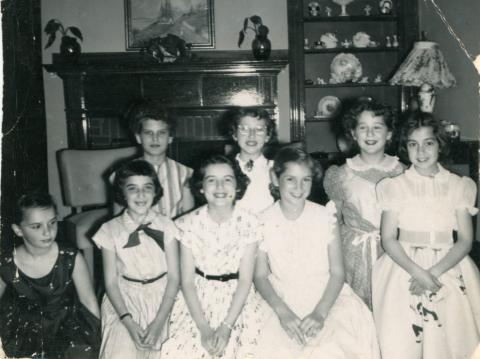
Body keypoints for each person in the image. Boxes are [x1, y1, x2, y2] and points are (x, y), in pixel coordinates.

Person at [253, 146, 380, 359]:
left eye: (306, 180)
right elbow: (260, 275)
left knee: (331, 348)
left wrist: (320, 313)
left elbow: (338, 272)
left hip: (326, 298)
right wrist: (283, 313)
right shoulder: (262, 221)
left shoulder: (324, 217)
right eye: (290, 179)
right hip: (281, 299)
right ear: (275, 179)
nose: (299, 187)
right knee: (275, 349)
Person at [373, 112, 480, 359]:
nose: (421, 151)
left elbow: (464, 240)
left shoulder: (459, 185)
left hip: (447, 266)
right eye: (413, 144)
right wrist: (418, 273)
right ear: (405, 148)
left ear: (439, 146)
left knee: (450, 336)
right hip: (405, 268)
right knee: (405, 338)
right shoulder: (393, 187)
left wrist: (433, 273)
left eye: (428, 143)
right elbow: (388, 238)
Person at [162, 155, 259, 359]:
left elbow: (245, 280)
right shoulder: (187, 224)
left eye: (227, 179)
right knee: (186, 349)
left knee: (239, 350)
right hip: (197, 298)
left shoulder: (251, 223)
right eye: (211, 180)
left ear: (238, 186)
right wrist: (204, 329)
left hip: (237, 300)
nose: (220, 186)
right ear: (201, 188)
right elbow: (187, 281)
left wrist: (226, 327)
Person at [93, 160, 180, 359]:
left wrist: (158, 323)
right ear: (122, 193)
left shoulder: (167, 226)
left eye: (147, 188)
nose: (141, 195)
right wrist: (128, 322)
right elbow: (111, 283)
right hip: (124, 302)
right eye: (133, 189)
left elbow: (175, 278)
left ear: (155, 192)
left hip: (164, 300)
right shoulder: (109, 231)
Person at [323, 98, 404, 309]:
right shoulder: (340, 174)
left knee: (391, 306)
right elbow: (334, 220)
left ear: (389, 134)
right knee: (355, 310)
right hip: (353, 254)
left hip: (394, 252)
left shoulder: (401, 172)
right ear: (353, 133)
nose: (370, 134)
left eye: (377, 128)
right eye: (363, 128)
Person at [0, 192, 100, 359]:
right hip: (25, 333)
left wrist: (98, 337)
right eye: (36, 226)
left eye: (52, 223)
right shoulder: (7, 264)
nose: (48, 232)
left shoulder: (70, 256)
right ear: (18, 230)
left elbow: (89, 301)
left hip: (67, 328)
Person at [113, 98, 194, 218]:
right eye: (148, 133)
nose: (155, 138)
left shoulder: (185, 173)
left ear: (170, 138)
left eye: (161, 133)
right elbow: (117, 219)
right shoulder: (123, 172)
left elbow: (189, 217)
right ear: (138, 138)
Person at [227, 107, 276, 213]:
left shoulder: (275, 168)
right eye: (244, 129)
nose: (251, 135)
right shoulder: (225, 168)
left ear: (267, 136)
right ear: (235, 134)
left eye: (259, 129)